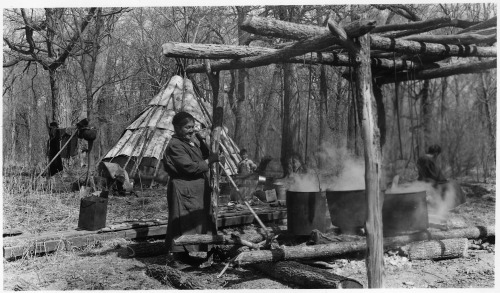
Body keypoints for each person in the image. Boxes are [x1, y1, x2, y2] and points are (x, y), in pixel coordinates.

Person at [163, 111, 220, 268]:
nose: (192, 130)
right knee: (182, 222)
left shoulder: (190, 142)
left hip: (197, 190)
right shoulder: (175, 145)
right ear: (177, 128)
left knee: (200, 221)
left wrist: (203, 142)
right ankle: (177, 257)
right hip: (183, 190)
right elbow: (190, 167)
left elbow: (205, 155)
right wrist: (209, 161)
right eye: (187, 127)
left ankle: (200, 253)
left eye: (193, 127)